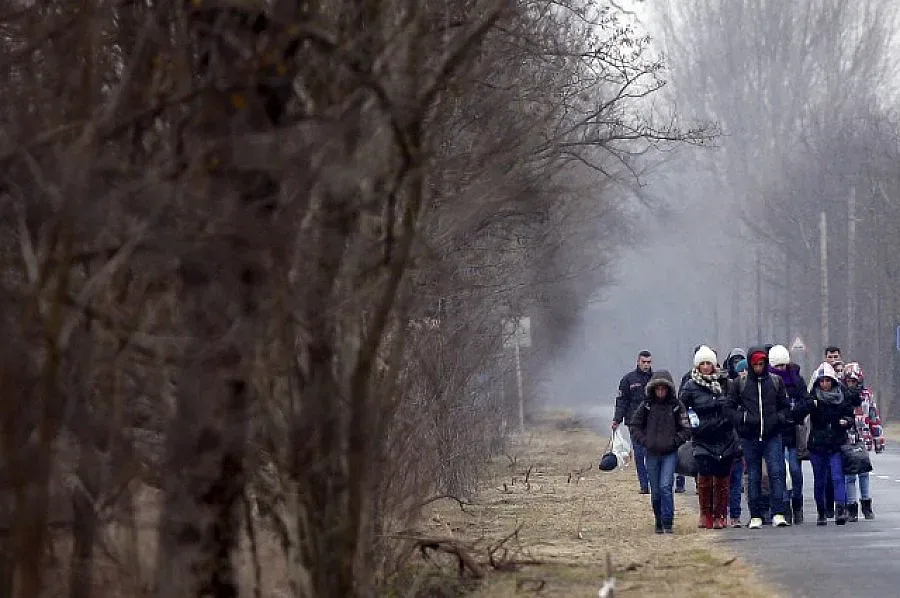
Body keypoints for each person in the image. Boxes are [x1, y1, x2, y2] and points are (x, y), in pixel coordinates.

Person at [729, 346, 791, 529]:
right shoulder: (740, 384)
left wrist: (778, 419)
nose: (758, 367)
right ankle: (755, 514)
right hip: (750, 437)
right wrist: (743, 419)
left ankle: (778, 512)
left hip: (772, 435)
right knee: (754, 475)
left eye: (761, 364)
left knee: (776, 473)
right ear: (750, 364)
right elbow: (729, 408)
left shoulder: (775, 381)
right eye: (754, 364)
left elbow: (785, 406)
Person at [680, 346, 740, 529]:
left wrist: (730, 420)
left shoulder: (726, 384)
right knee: (705, 476)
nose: (706, 367)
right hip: (702, 437)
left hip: (725, 436)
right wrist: (690, 427)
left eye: (709, 363)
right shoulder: (690, 386)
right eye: (702, 363)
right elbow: (682, 410)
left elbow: (734, 406)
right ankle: (705, 513)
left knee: (722, 478)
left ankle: (721, 514)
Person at [630, 370, 691, 534]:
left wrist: (675, 441)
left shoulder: (677, 406)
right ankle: (658, 520)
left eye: (664, 389)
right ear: (653, 389)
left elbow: (686, 428)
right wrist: (644, 441)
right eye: (658, 389)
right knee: (655, 490)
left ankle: (668, 521)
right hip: (652, 453)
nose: (661, 392)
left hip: (670, 453)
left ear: (669, 389)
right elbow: (634, 425)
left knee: (666, 486)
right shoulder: (646, 406)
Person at [807, 362, 855, 526]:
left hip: (836, 442)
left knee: (837, 476)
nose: (825, 384)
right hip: (817, 444)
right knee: (820, 479)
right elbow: (799, 413)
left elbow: (850, 416)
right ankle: (821, 511)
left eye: (828, 381)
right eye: (822, 381)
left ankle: (840, 509)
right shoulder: (813, 397)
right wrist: (808, 403)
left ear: (833, 381)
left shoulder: (841, 396)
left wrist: (846, 421)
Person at [768, 344, 811, 524]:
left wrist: (794, 414)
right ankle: (784, 505)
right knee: (780, 472)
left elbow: (806, 401)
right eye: (777, 367)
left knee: (795, 469)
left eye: (782, 366)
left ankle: (797, 503)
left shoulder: (797, 380)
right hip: (776, 432)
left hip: (794, 432)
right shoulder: (767, 382)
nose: (780, 370)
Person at [842, 362, 881, 521]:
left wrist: (877, 437)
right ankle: (851, 507)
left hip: (863, 437)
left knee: (864, 472)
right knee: (850, 475)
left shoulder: (866, 395)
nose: (851, 384)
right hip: (846, 438)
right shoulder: (841, 395)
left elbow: (873, 415)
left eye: (854, 381)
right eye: (848, 381)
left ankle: (866, 504)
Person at [613, 351, 654, 493]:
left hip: (653, 422)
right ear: (638, 362)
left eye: (649, 362)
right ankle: (644, 485)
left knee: (652, 453)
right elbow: (622, 401)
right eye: (644, 362)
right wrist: (617, 419)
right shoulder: (628, 380)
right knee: (639, 454)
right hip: (634, 422)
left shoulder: (656, 380)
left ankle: (653, 481)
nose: (646, 365)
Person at [723, 348, 747, 527]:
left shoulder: (750, 386)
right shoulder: (724, 383)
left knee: (737, 480)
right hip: (722, 436)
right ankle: (723, 513)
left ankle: (736, 515)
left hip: (741, 437)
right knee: (725, 479)